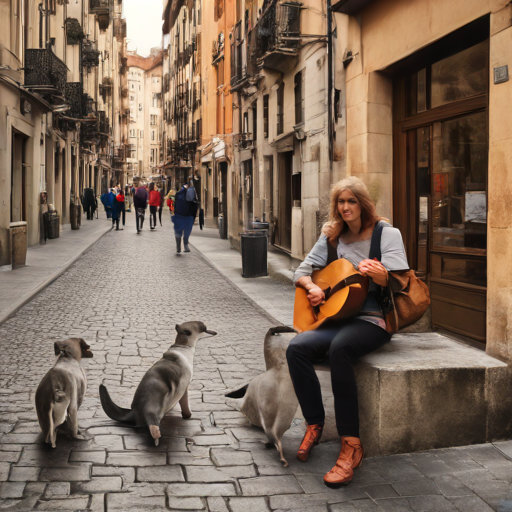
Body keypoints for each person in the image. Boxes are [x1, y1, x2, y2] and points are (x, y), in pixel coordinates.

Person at [286, 176, 409, 488]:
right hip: (340, 317)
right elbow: (301, 271)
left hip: (374, 320)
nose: (345, 207)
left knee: (340, 349)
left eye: (351, 201)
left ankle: (351, 447)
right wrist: (313, 288)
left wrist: (381, 276)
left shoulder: (386, 234)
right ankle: (314, 422)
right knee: (296, 347)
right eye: (340, 202)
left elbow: (400, 281)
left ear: (362, 203)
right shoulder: (332, 236)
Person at [172, 182, 195, 253]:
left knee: (178, 231)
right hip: (188, 216)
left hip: (179, 215)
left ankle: (178, 247)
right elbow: (194, 206)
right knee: (186, 232)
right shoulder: (191, 195)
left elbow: (175, 205)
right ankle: (185, 246)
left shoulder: (178, 194)